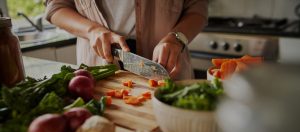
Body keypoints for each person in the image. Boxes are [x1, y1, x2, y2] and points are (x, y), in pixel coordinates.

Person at [45, 0, 208, 80]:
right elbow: (56, 7)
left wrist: (176, 38)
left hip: (169, 68)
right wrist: (92, 31)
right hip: (98, 68)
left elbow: (198, 10)